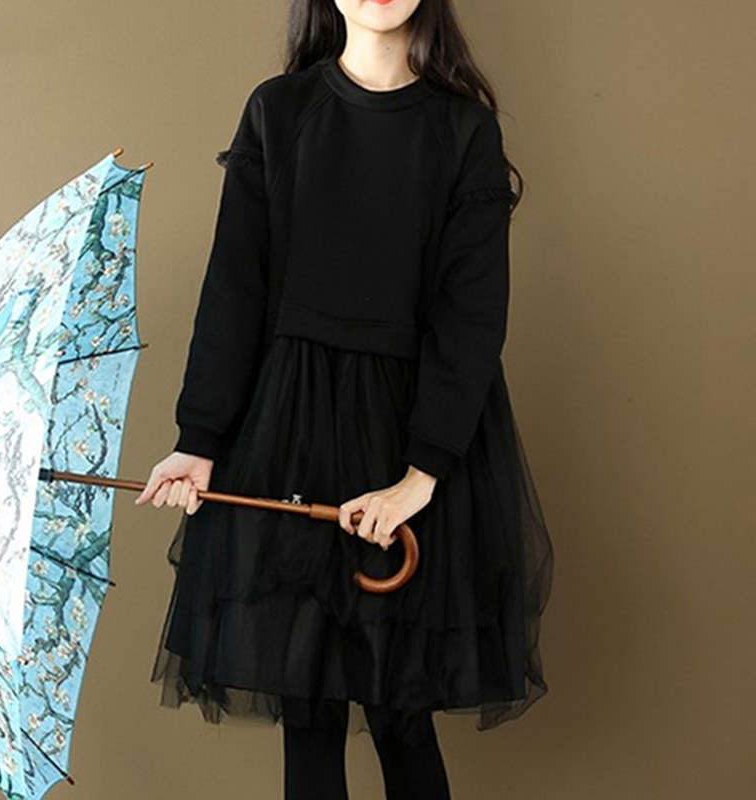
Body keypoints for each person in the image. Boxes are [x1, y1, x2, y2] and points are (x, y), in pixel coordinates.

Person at [135, 0, 555, 797]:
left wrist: (420, 477)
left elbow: (471, 318)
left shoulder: (463, 130)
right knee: (309, 720)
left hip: (412, 440)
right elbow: (234, 289)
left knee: (404, 718)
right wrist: (199, 437)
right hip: (289, 436)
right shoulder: (279, 110)